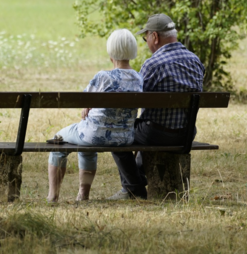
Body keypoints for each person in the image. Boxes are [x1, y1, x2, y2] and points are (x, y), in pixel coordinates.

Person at [108, 13, 205, 200]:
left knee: (116, 133)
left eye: (146, 39)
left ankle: (133, 188)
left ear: (155, 37)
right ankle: (134, 184)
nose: (147, 43)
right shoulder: (195, 61)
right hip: (186, 134)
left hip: (157, 134)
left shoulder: (152, 65)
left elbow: (135, 102)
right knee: (146, 127)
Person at [47, 29, 143, 203]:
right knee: (86, 141)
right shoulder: (138, 78)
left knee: (58, 140)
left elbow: (84, 100)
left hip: (94, 135)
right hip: (124, 138)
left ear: (110, 53)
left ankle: (53, 196)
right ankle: (82, 195)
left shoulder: (103, 77)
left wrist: (87, 106)